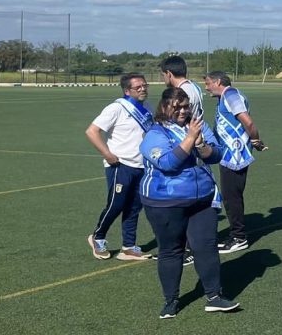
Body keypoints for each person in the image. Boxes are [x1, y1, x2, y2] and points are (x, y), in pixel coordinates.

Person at [139, 88, 239, 319]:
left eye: (186, 106)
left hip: (202, 200)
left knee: (206, 246)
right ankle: (170, 300)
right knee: (171, 250)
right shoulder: (155, 133)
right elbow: (168, 163)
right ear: (165, 107)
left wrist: (203, 146)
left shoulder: (198, 126)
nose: (183, 111)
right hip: (165, 202)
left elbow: (217, 154)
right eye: (177, 107)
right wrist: (189, 140)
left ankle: (214, 296)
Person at [84, 73, 154, 261]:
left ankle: (129, 247)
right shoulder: (117, 108)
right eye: (138, 87)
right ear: (127, 90)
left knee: (134, 207)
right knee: (116, 204)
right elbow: (92, 131)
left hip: (142, 165)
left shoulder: (147, 107)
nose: (143, 89)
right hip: (120, 164)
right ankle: (98, 237)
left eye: (144, 85)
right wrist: (107, 154)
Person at [202, 71, 265, 255]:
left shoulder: (230, 95)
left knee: (232, 197)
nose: (206, 87)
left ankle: (239, 237)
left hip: (234, 155)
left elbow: (248, 122)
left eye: (208, 83)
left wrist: (255, 140)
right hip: (229, 154)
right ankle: (236, 235)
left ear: (218, 82)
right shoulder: (226, 97)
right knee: (231, 196)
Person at [161, 55, 204, 119]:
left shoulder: (182, 91)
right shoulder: (195, 86)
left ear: (168, 73)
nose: (163, 78)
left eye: (163, 75)